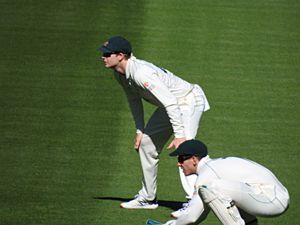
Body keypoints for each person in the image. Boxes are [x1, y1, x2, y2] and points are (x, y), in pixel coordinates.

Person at [98, 36, 210, 211]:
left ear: (120, 55)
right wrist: (139, 130)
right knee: (146, 145)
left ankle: (193, 202)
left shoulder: (141, 73)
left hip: (188, 100)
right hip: (172, 104)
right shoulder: (120, 74)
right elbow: (133, 100)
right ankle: (148, 198)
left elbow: (171, 102)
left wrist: (179, 136)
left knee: (186, 151)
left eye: (107, 54)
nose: (103, 57)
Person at [155, 139, 290, 225]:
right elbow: (199, 214)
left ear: (194, 160)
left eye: (181, 160)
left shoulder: (207, 175)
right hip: (270, 195)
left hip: (271, 199)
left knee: (212, 188)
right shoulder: (213, 167)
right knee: (221, 193)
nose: (179, 164)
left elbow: (192, 217)